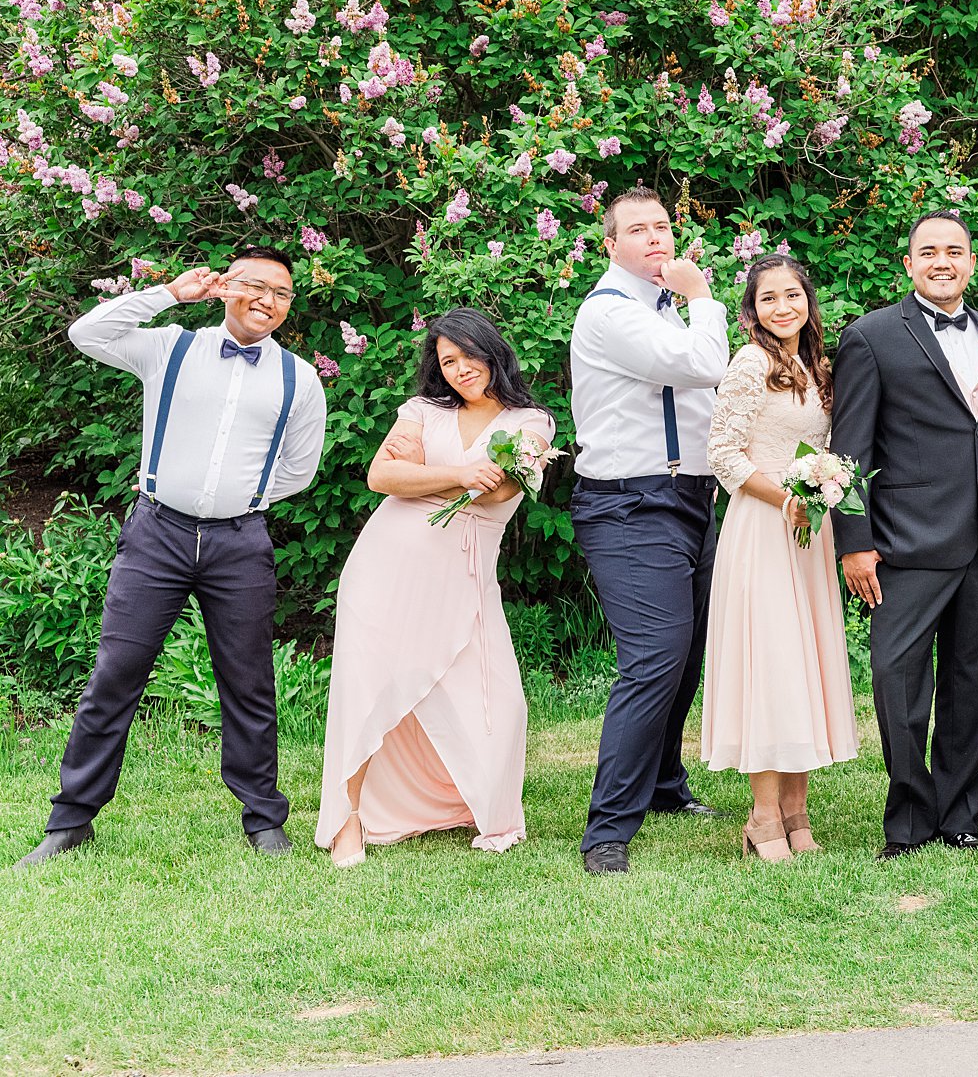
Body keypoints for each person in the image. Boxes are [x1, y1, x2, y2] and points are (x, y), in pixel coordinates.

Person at [19, 247, 327, 868]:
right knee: (115, 675)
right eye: (254, 286)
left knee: (249, 683)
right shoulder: (169, 348)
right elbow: (87, 332)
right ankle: (71, 821)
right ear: (225, 287)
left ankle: (263, 819)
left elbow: (300, 469)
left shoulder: (299, 378)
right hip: (155, 535)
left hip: (240, 543)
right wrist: (170, 294)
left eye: (282, 293)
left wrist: (242, 501)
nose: (267, 300)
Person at [315, 310, 556, 867]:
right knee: (369, 688)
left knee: (497, 698)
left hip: (466, 574)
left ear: (493, 352)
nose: (460, 368)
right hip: (386, 566)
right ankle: (346, 821)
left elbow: (498, 495)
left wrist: (427, 475)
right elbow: (382, 477)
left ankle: (469, 800)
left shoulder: (532, 421)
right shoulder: (423, 410)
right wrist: (460, 475)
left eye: (469, 355)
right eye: (447, 360)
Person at [832, 210, 978, 860]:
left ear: (972, 262)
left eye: (955, 251)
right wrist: (855, 541)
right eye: (929, 251)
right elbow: (848, 451)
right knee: (896, 682)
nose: (943, 261)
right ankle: (908, 820)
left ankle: (960, 818)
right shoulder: (872, 337)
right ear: (908, 264)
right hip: (904, 543)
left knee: (973, 687)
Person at [570, 186, 730, 875]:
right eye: (637, 230)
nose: (656, 239)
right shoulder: (609, 313)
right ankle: (607, 829)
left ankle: (664, 786)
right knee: (655, 657)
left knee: (687, 654)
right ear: (611, 246)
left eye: (663, 227)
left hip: (692, 497)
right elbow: (699, 365)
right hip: (630, 503)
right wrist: (706, 299)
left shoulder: (667, 310)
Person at [701, 255, 859, 861]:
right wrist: (786, 497)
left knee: (802, 663)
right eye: (769, 299)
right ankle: (763, 815)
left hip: (807, 532)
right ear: (753, 310)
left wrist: (817, 492)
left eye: (792, 295)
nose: (783, 307)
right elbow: (723, 454)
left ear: (807, 301)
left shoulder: (816, 365)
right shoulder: (750, 363)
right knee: (770, 664)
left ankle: (797, 812)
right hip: (765, 525)